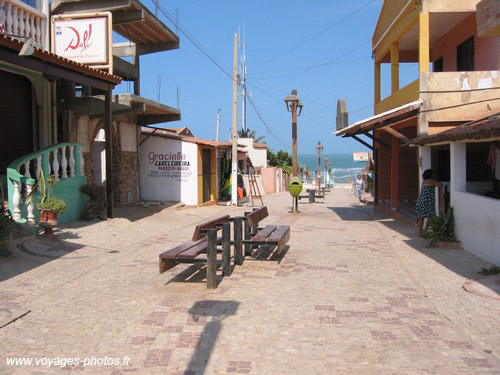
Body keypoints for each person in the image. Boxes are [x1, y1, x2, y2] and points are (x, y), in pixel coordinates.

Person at [416, 169, 443, 235]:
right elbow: (440, 185)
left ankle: (420, 232)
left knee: (421, 217)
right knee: (431, 217)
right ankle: (425, 231)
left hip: (421, 201)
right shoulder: (430, 181)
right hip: (427, 202)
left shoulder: (424, 181)